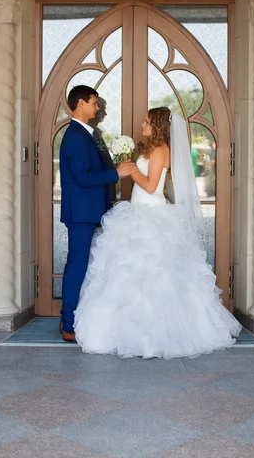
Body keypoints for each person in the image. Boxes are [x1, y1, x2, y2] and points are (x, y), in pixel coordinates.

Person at [74, 107, 242, 359]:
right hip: (137, 213)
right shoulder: (149, 149)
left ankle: (158, 337)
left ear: (158, 126)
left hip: (151, 215)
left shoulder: (162, 150)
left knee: (155, 277)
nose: (142, 124)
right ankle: (129, 334)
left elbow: (152, 187)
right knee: (128, 275)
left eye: (147, 122)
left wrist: (131, 171)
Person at [59, 85, 135, 342]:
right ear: (81, 103)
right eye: (94, 102)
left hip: (91, 210)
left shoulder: (88, 134)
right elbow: (82, 177)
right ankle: (68, 324)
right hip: (81, 212)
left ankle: (79, 319)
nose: (98, 107)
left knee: (86, 265)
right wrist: (117, 174)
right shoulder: (77, 137)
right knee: (77, 266)